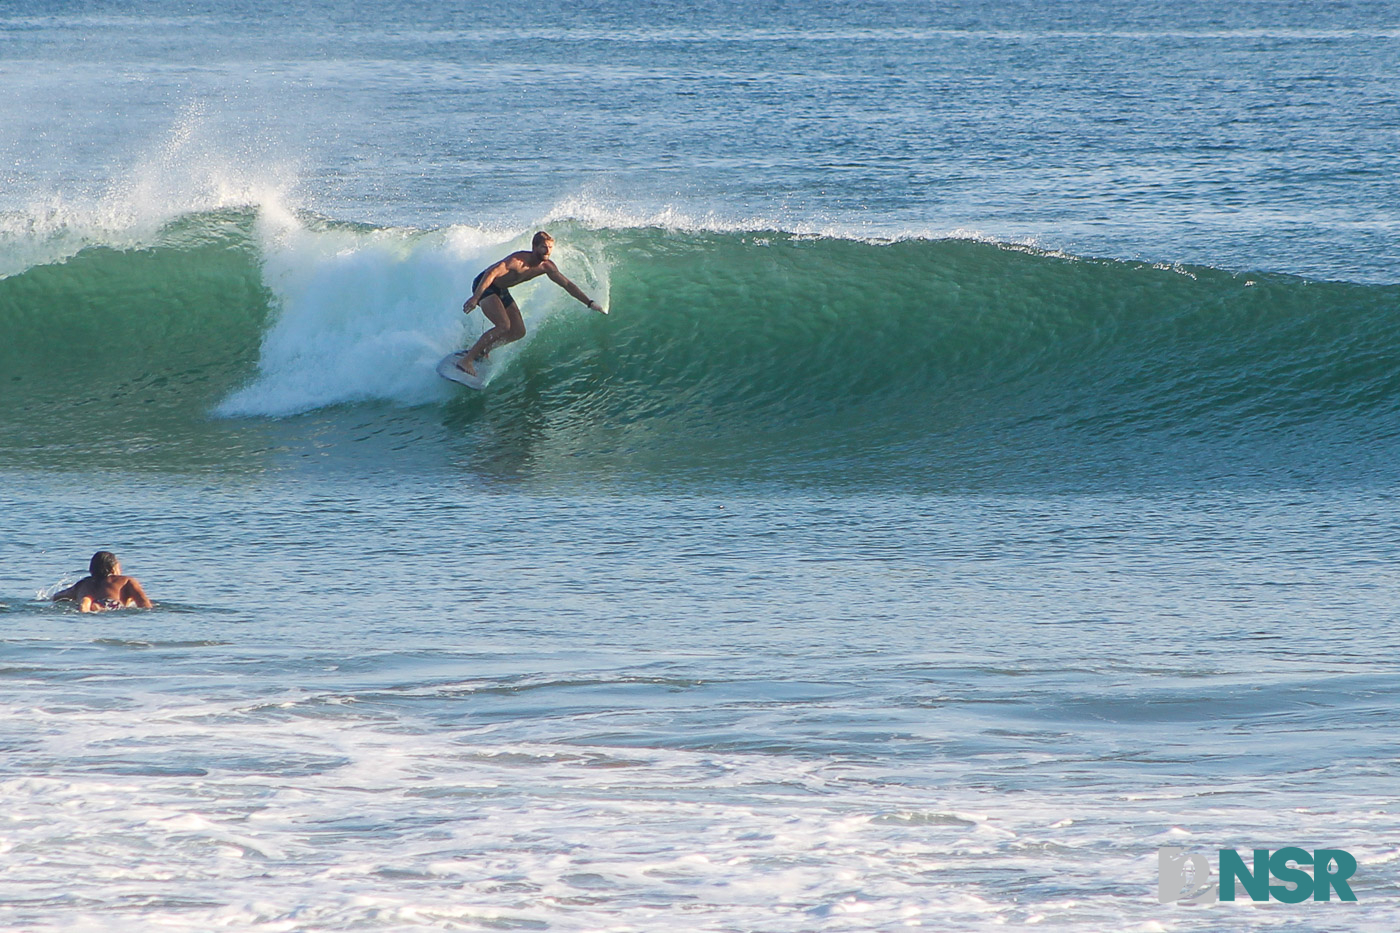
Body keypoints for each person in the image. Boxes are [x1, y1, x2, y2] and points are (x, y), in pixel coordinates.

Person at [457, 230, 606, 376]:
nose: (548, 251)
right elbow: (491, 273)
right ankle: (467, 360)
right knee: (504, 325)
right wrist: (476, 298)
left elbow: (567, 285)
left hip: (501, 289)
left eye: (550, 247)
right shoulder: (517, 261)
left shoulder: (547, 267)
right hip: (484, 285)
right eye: (544, 247)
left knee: (518, 331)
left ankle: (483, 350)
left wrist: (589, 302)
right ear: (534, 247)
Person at [52, 551, 153, 612]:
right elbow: (144, 604)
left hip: (92, 602)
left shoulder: (83, 583)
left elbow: (57, 597)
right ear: (113, 568)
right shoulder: (126, 581)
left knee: (86, 600)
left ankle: (86, 604)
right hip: (113, 604)